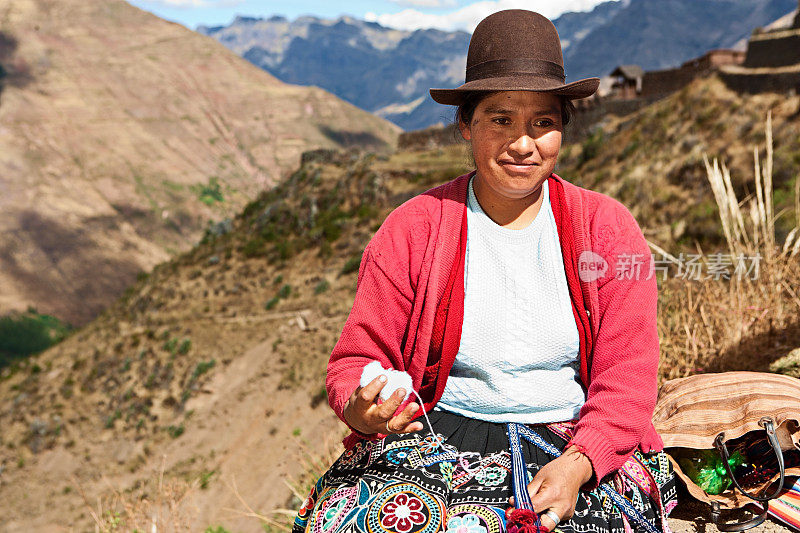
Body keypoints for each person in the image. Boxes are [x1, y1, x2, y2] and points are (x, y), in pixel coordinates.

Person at [293, 9, 676, 533]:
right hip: (436, 433)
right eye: (501, 120)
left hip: (575, 442)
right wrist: (363, 409)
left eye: (543, 122)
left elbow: (627, 376)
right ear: (466, 125)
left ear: (563, 129)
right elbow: (356, 358)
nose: (524, 144)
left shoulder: (606, 230)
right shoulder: (414, 229)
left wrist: (581, 462)